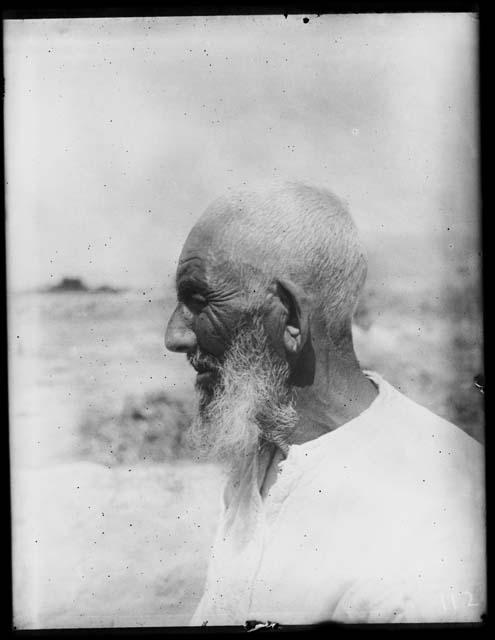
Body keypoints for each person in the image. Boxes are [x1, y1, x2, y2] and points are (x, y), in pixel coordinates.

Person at [165, 181, 485, 625]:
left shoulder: (435, 512)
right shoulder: (266, 452)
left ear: (291, 318)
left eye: (199, 301)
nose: (174, 337)